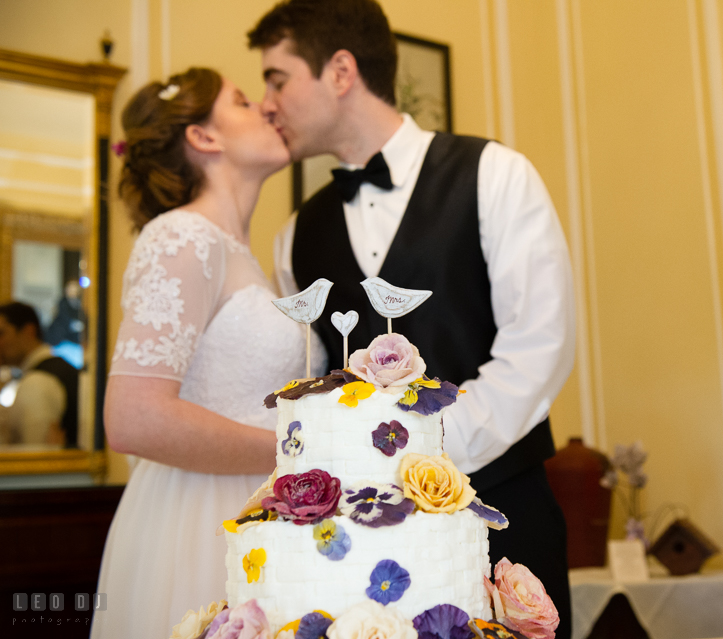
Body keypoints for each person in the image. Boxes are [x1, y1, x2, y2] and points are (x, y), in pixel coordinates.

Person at [248, 2, 576, 636]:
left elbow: (540, 349)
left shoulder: (496, 176)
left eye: (277, 78)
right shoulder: (295, 237)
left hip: (506, 522)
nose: (267, 102)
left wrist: (420, 451)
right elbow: (317, 385)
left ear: (340, 70)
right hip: (360, 552)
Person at [91, 67, 322, 639]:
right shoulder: (181, 237)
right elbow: (133, 417)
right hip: (199, 522)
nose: (267, 109)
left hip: (258, 514)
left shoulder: (245, 253)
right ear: (203, 137)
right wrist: (297, 453)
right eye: (243, 101)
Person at [0, 301, 78, 447]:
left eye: (1, 333)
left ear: (28, 331)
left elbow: (37, 457)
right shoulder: (51, 371)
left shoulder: (37, 381)